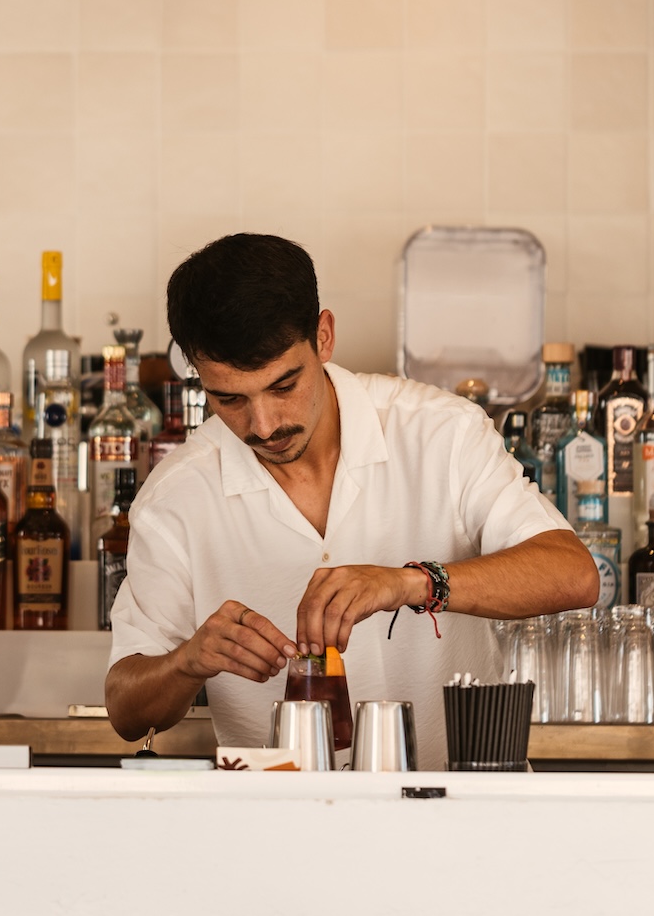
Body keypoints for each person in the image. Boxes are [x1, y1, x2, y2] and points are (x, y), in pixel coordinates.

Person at [104, 234, 597, 767]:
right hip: (276, 828)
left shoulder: (441, 433)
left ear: (324, 336)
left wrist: (411, 581)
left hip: (457, 819)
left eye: (284, 385)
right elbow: (126, 709)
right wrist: (187, 661)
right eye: (231, 400)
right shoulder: (177, 496)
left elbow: (573, 574)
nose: (264, 425)